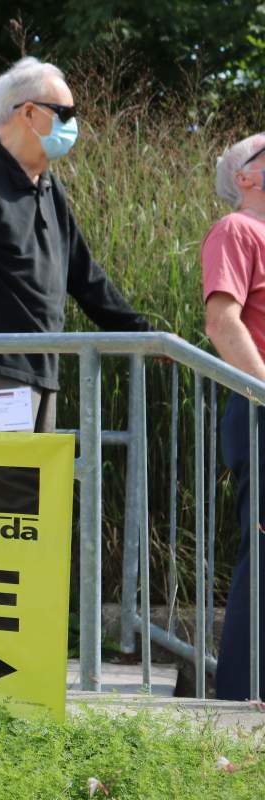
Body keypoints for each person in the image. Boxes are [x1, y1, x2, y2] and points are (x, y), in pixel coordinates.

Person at [0, 57, 151, 432]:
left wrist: (145, 334)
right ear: (28, 113)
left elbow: (84, 275)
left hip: (45, 373)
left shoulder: (49, 186)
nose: (73, 124)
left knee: (33, 490)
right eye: (65, 112)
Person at [202, 133, 265, 700]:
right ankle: (243, 696)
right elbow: (223, 322)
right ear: (245, 176)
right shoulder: (237, 229)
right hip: (260, 409)